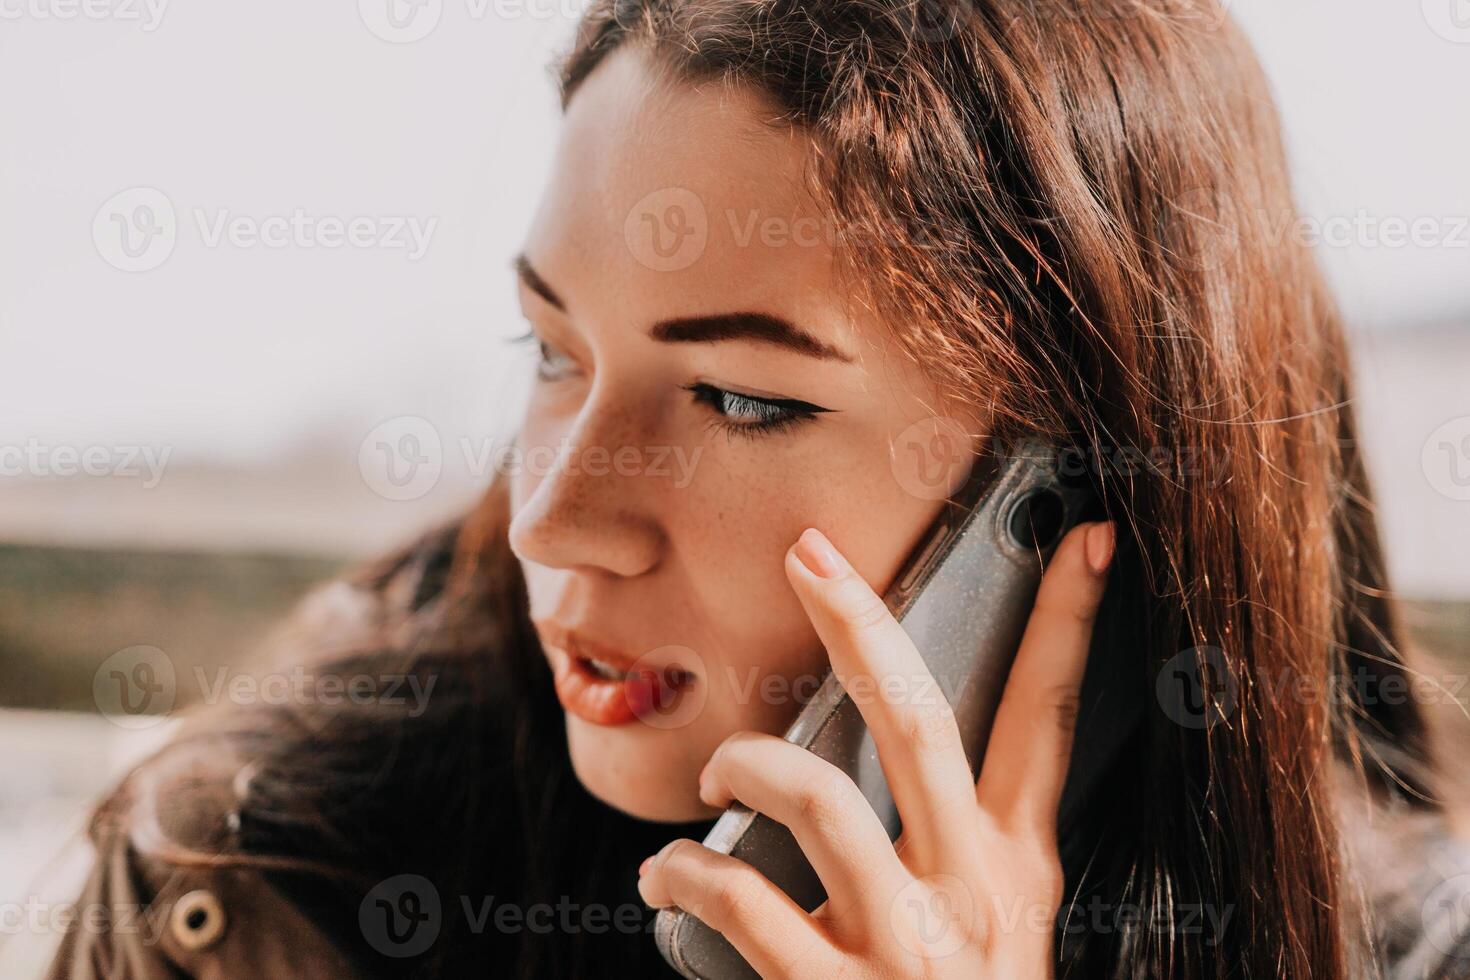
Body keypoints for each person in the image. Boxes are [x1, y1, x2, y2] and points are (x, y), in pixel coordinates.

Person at [46, 0, 1470, 976]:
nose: (552, 516)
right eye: (549, 351)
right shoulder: (270, 888)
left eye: (743, 400)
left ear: (1062, 508)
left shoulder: (1412, 943)